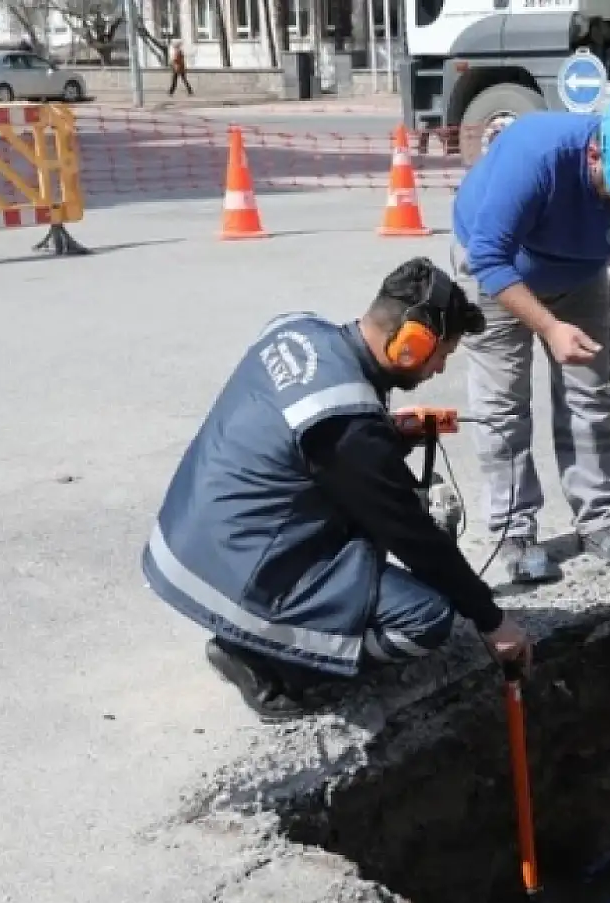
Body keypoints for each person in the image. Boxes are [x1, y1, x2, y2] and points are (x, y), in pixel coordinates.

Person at [141, 257, 533, 721]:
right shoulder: (347, 425)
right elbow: (408, 532)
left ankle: (270, 637)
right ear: (411, 344)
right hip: (231, 573)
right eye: (441, 355)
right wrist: (491, 620)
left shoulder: (299, 333)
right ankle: (270, 666)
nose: (437, 370)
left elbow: (302, 446)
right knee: (424, 620)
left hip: (190, 539)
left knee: (361, 537)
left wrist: (381, 437)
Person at [450, 86, 610, 584]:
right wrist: (549, 326)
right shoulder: (537, 153)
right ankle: (513, 531)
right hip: (495, 272)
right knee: (502, 406)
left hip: (580, 276)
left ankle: (599, 519)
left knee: (590, 398)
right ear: (595, 151)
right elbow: (488, 256)